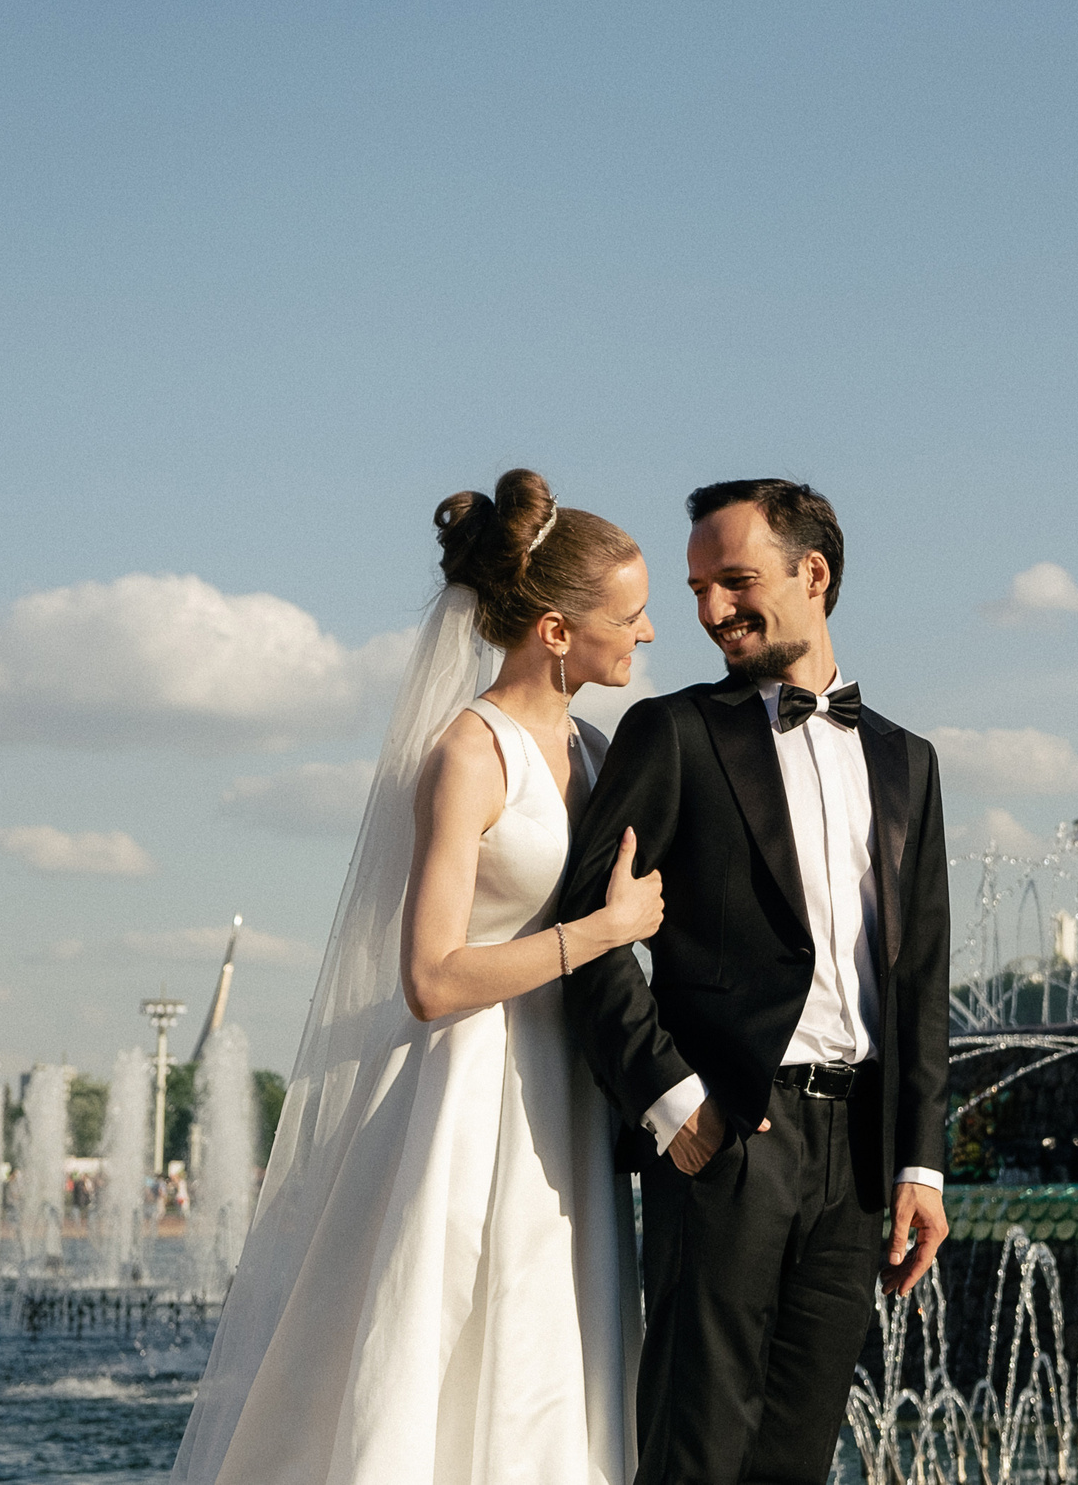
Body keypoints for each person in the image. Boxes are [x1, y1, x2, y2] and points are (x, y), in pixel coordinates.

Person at [172, 469, 665, 1485]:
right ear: (558, 631)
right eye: (632, 614)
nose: (649, 633)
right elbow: (430, 977)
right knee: (442, 1353)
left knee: (551, 1354)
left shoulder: (594, 744)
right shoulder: (467, 754)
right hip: (467, 1095)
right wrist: (600, 932)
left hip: (565, 1094)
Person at [559, 479, 951, 1485]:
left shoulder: (909, 762)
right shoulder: (675, 734)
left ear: (810, 574)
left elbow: (919, 978)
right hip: (728, 1136)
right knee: (695, 1452)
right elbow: (584, 935)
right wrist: (673, 1100)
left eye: (734, 581)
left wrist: (919, 1164)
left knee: (798, 1455)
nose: (709, 612)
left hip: (857, 1160)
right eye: (697, 588)